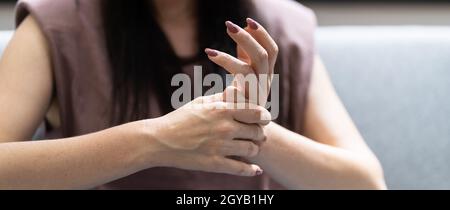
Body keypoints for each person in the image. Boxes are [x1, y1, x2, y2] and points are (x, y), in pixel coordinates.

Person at [0, 0, 386, 189]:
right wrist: (154, 141)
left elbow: (365, 183)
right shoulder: (57, 27)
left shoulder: (277, 27)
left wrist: (246, 130)